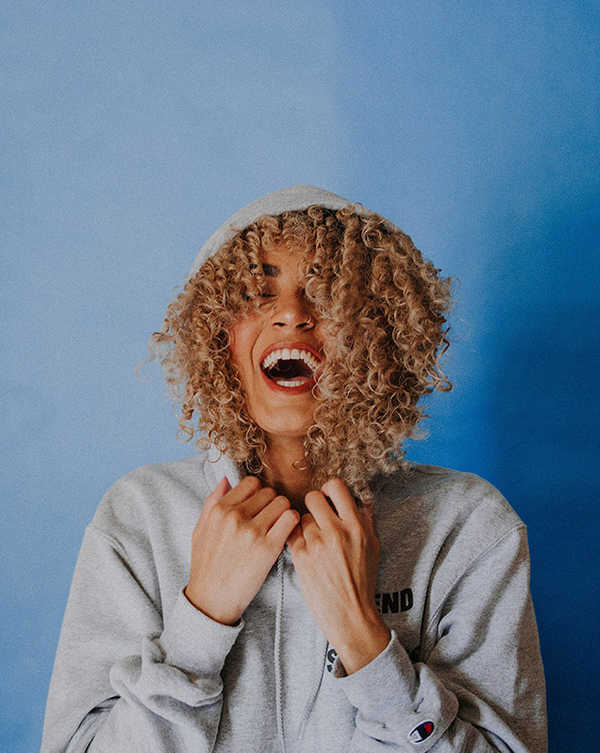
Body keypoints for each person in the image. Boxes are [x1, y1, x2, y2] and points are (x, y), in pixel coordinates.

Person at [41, 185, 547, 752]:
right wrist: (200, 622)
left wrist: (366, 642)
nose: (291, 315)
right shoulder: (138, 518)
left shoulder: (470, 528)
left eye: (328, 293)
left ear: (377, 333)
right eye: (259, 292)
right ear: (218, 337)